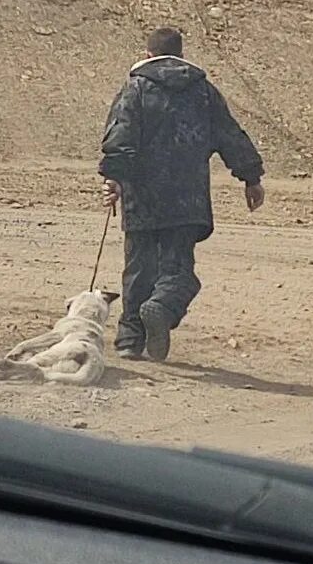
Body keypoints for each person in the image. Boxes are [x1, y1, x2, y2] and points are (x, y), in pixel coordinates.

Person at [98, 26, 266, 362]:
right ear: (181, 56)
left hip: (141, 196)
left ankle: (131, 339)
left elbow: (121, 137)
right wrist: (251, 177)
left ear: (148, 55)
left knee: (138, 267)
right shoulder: (203, 91)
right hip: (187, 198)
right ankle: (162, 306)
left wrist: (114, 179)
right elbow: (230, 135)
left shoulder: (135, 88)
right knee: (177, 270)